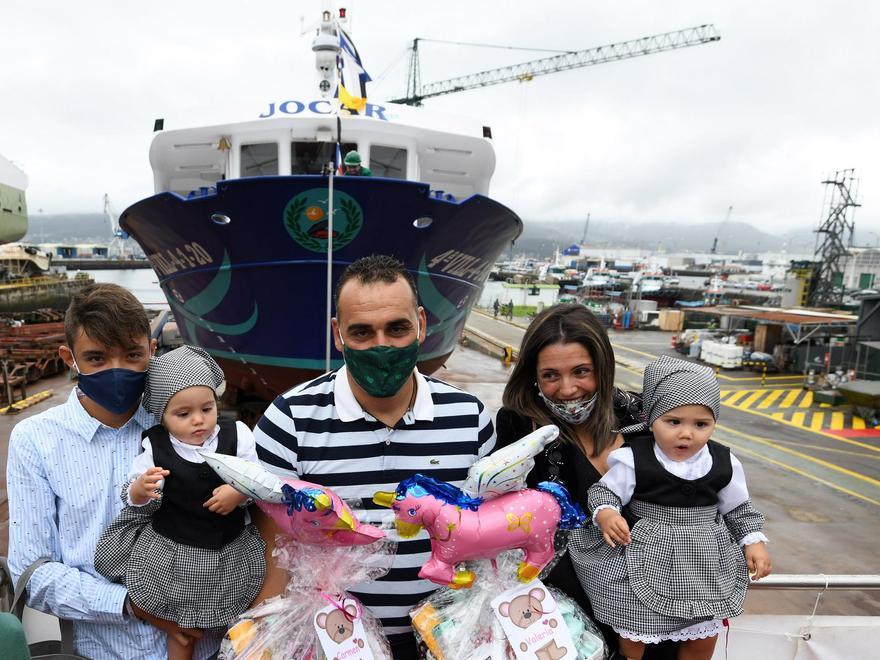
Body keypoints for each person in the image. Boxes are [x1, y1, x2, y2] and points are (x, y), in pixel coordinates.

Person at [252, 254, 495, 659]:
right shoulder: (290, 419)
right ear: (337, 333)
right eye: (362, 332)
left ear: (421, 322)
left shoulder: (469, 418)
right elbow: (274, 543)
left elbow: (484, 533)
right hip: (332, 644)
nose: (381, 346)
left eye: (397, 328)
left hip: (444, 640)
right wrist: (265, 637)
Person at [7, 283, 210, 659]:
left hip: (205, 643)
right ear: (69, 357)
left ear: (152, 350)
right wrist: (130, 604)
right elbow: (31, 571)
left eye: (132, 355)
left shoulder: (187, 424)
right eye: (97, 358)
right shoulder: (35, 440)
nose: (117, 371)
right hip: (100, 650)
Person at [570, 356, 772, 660]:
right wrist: (608, 513)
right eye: (673, 422)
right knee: (633, 622)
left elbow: (738, 508)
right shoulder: (634, 458)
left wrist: (753, 541)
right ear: (652, 420)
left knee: (703, 631)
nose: (687, 434)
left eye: (701, 424)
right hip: (647, 551)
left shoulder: (723, 462)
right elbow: (604, 491)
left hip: (703, 560)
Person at [494, 303, 656, 654]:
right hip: (566, 624)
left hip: (654, 611)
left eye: (581, 371)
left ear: (603, 367)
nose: (568, 389)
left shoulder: (643, 417)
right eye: (551, 375)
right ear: (533, 376)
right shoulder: (520, 427)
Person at [94, 345, 266, 660]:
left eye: (207, 408)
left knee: (239, 619)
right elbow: (131, 491)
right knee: (181, 627)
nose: (198, 421)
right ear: (163, 415)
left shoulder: (237, 434)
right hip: (176, 553)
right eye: (183, 414)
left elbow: (258, 479)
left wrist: (239, 492)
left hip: (229, 548)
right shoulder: (155, 445)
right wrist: (141, 489)